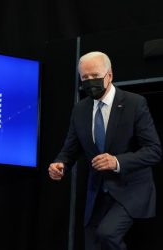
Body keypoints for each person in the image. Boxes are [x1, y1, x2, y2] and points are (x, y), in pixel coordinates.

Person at [48, 51, 162, 250]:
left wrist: (117, 162)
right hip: (98, 190)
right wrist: (60, 164)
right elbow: (70, 149)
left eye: (95, 76)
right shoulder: (80, 109)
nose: (90, 81)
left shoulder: (134, 104)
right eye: (85, 77)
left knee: (107, 233)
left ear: (109, 75)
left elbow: (154, 150)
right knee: (92, 242)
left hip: (130, 188)